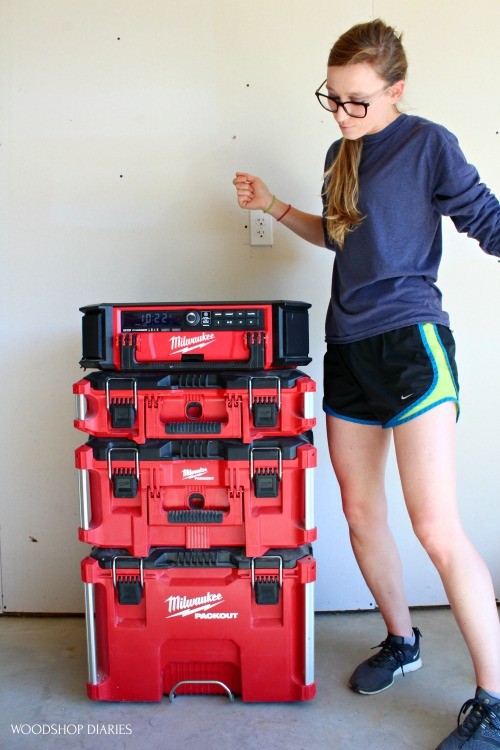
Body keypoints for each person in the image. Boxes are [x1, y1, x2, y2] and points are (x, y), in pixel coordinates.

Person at [232, 18, 500, 750]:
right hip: (347, 348)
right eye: (334, 99)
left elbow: (487, 219)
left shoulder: (428, 144)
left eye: (359, 101)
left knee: (436, 526)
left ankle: (494, 701)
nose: (344, 114)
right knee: (358, 511)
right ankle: (403, 640)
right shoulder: (338, 151)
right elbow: (341, 231)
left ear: (396, 91)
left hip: (412, 345)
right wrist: (274, 207)